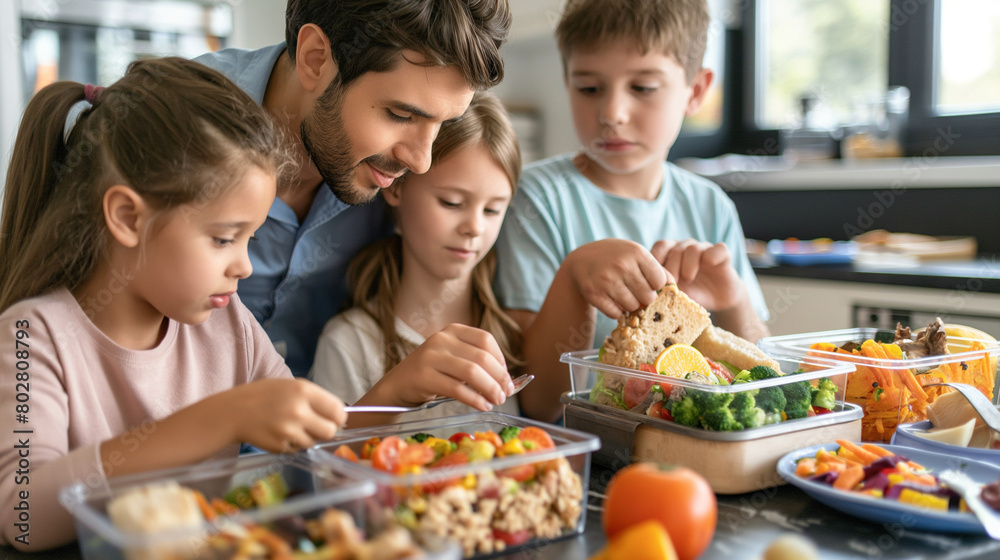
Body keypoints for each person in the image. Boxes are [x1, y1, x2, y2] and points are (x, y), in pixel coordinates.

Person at [0, 58, 348, 551]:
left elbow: (314, 444)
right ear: (127, 217)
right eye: (224, 238)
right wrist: (221, 419)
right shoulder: (31, 337)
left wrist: (401, 391)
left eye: (250, 238)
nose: (244, 266)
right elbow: (22, 517)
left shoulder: (228, 324)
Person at [194, 0, 516, 409]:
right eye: (401, 115)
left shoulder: (399, 179)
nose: (421, 161)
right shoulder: (166, 128)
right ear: (314, 58)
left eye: (444, 124)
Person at [494, 0, 771, 422]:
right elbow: (540, 403)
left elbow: (769, 384)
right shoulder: (535, 198)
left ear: (695, 91)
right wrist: (574, 278)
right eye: (589, 88)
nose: (612, 114)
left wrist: (733, 300)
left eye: (642, 88)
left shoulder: (710, 204)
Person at [309, 92, 523, 426]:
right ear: (395, 189)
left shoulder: (513, 334)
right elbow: (323, 471)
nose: (475, 227)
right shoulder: (350, 343)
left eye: (493, 209)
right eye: (452, 202)